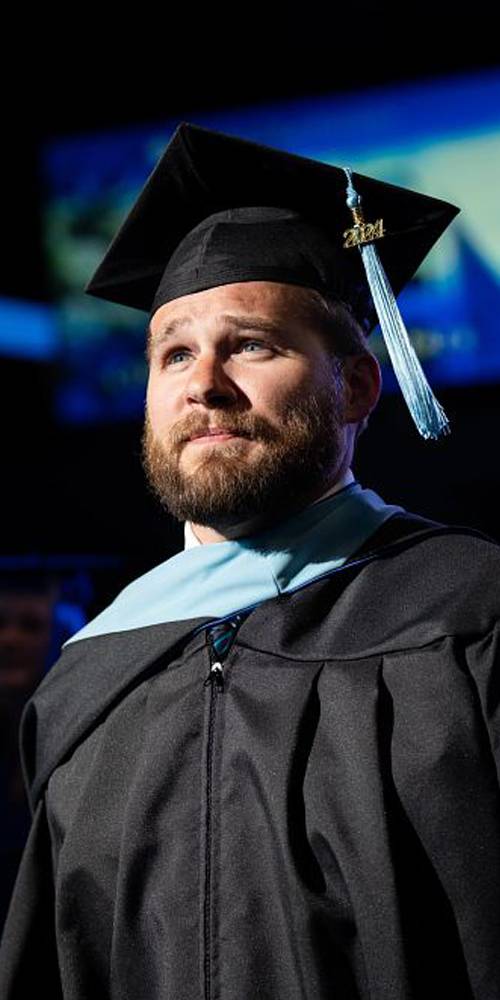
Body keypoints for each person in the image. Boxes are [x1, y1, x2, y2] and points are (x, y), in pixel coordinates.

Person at [1, 123, 500, 1000]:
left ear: (353, 387)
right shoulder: (85, 684)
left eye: (252, 345)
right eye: (175, 354)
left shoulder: (469, 614)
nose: (204, 384)